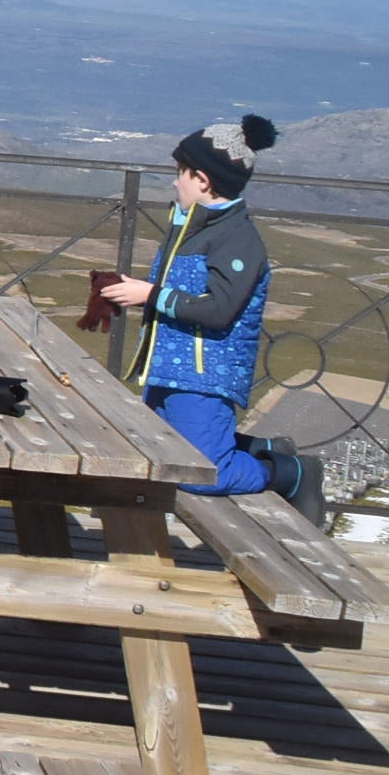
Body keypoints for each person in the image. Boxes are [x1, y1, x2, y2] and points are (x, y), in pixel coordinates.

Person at [97, 115, 320, 522]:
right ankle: (258, 447)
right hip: (168, 369)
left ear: (202, 180)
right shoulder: (189, 227)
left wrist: (150, 294)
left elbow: (219, 310)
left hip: (206, 375)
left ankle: (289, 473)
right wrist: (136, 293)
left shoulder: (237, 239)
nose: (174, 182)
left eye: (179, 173)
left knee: (202, 474)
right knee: (163, 451)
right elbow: (179, 293)